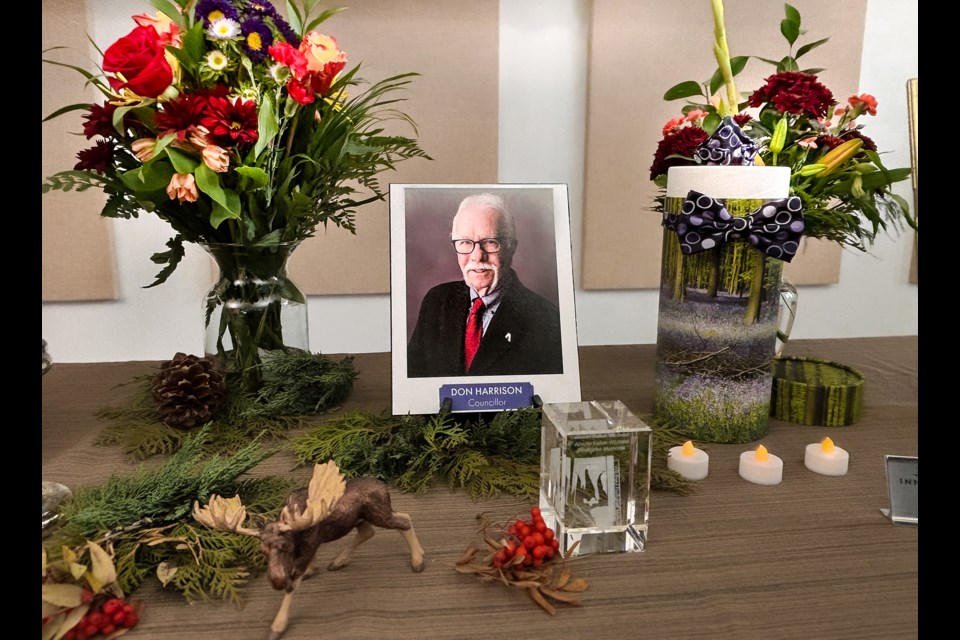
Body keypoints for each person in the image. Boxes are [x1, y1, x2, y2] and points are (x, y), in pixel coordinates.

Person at [407, 193, 564, 378]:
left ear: (511, 247)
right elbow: (415, 380)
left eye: (490, 242)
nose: (477, 256)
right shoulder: (436, 301)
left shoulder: (545, 319)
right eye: (465, 242)